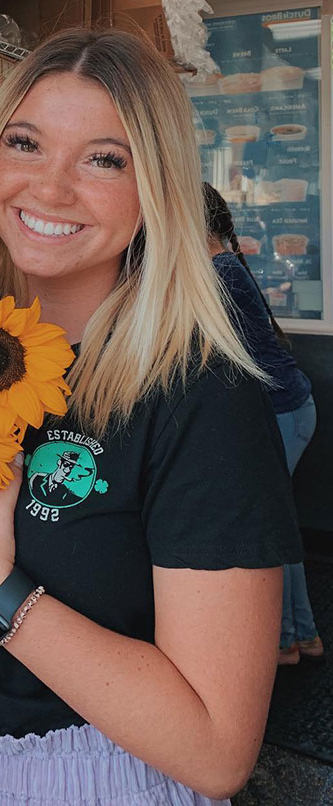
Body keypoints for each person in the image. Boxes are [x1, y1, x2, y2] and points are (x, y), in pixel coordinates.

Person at [0, 28, 303, 805]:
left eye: (105, 158)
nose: (50, 187)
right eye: (26, 143)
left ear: (157, 189)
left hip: (92, 780)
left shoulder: (201, 399)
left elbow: (214, 749)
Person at [203, 182, 322, 667]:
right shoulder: (223, 266)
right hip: (287, 409)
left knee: (270, 530)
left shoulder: (220, 272)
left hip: (283, 414)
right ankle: (299, 637)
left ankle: (287, 640)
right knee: (279, 526)